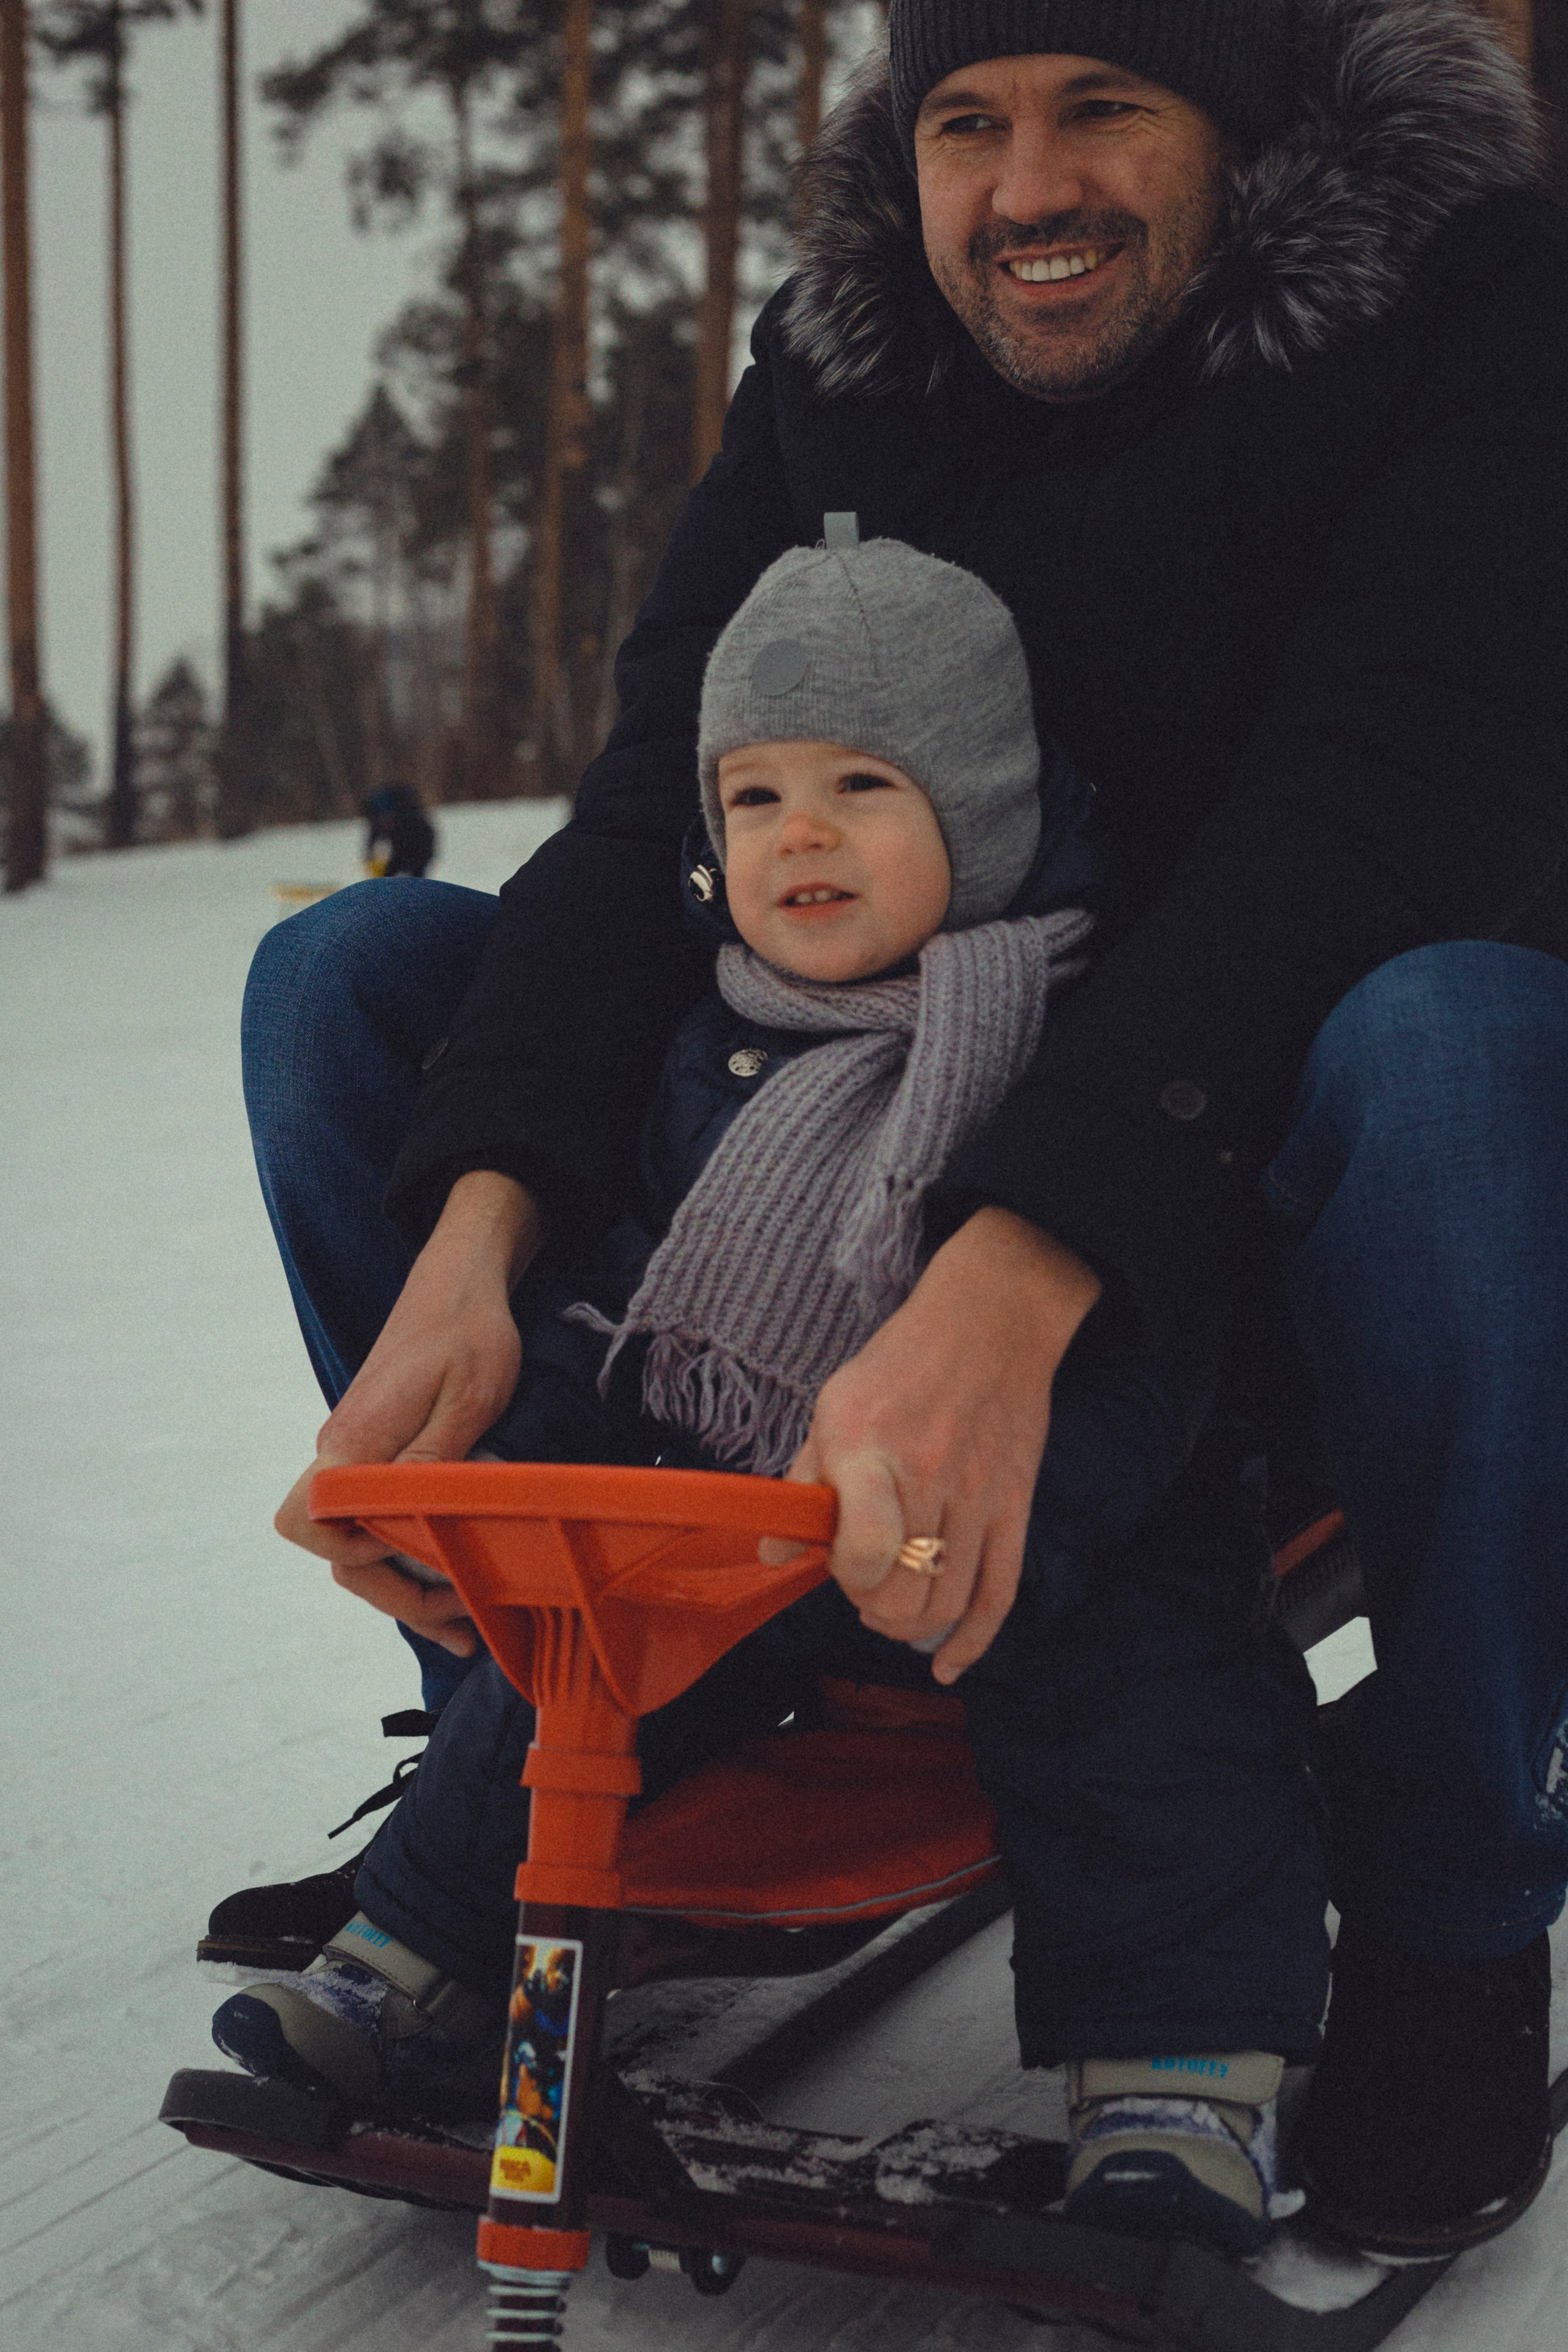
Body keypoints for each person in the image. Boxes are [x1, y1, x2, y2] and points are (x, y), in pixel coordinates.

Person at [225, 0, 1568, 2262]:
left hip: (1259, 1220)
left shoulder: (1464, 312)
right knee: (349, 983)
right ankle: (559, 1745)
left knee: (1456, 1046)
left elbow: (1379, 809)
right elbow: (661, 792)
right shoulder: (847, 353)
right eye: (965, 119)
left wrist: (1011, 1265)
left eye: (1097, 109)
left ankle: (1448, 1905)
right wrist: (475, 1237)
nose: (1022, 188)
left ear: (1243, 130)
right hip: (804, 1182)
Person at [216, 536, 1307, 2258]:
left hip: (1008, 1537)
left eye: (866, 786)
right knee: (556, 1658)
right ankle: (420, 1946)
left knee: (1153, 1688)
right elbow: (630, 1298)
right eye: (757, 795)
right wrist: (521, 1486)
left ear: (993, 811)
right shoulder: (706, 1038)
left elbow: (1156, 1346)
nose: (800, 834)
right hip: (735, 1538)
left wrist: (1032, 1507)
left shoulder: (1079, 1037)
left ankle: (1178, 2063)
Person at [363, 783, 436, 880]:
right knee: (388, 876)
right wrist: (370, 857)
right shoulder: (377, 819)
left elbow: (426, 845)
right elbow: (373, 839)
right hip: (401, 848)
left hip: (419, 847)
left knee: (416, 877)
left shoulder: (413, 820)